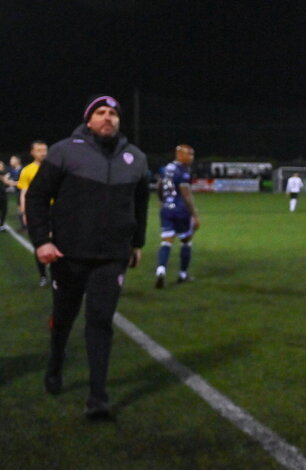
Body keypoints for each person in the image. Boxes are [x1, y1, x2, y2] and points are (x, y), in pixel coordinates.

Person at [25, 95, 149, 418]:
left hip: (112, 257)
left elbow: (141, 204)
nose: (108, 118)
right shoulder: (65, 150)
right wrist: (41, 241)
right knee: (63, 319)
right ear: (89, 119)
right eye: (101, 113)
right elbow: (38, 197)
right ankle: (55, 360)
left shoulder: (135, 158)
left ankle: (97, 399)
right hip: (68, 254)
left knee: (100, 321)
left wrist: (137, 243)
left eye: (113, 114)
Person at [155, 145, 200, 288]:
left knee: (166, 241)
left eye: (192, 155)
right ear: (179, 154)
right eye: (189, 154)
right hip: (180, 210)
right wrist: (195, 214)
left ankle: (161, 270)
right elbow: (186, 193)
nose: (191, 158)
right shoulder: (183, 171)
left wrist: (163, 201)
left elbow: (159, 186)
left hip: (166, 209)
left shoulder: (167, 168)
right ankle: (182, 274)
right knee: (186, 241)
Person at [17, 141, 50, 286]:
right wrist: (24, 212)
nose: (43, 153)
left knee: (60, 243)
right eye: (39, 150)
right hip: (37, 211)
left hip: (55, 210)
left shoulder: (54, 167)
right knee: (40, 243)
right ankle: (43, 275)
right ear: (32, 152)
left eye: (44, 149)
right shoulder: (27, 170)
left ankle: (60, 275)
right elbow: (24, 192)